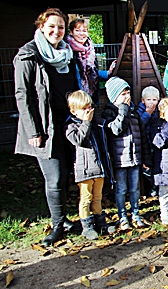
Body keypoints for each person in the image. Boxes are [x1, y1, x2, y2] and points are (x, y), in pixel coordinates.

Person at [14, 8, 80, 246]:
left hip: (66, 124)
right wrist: (34, 131)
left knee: (65, 176)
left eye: (61, 27)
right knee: (54, 177)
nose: (56, 31)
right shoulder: (28, 55)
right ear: (41, 26)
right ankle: (57, 225)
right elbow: (23, 95)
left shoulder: (66, 54)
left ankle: (63, 219)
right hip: (45, 127)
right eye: (51, 26)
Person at [101, 76, 152, 230]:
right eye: (123, 94)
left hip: (135, 158)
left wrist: (145, 158)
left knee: (134, 188)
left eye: (128, 93)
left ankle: (135, 213)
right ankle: (122, 215)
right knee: (121, 189)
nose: (127, 97)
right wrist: (122, 110)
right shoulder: (109, 114)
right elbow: (116, 130)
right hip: (119, 160)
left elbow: (142, 137)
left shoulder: (135, 114)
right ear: (114, 97)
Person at [65, 90, 116, 239]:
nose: (88, 111)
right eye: (84, 108)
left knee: (97, 197)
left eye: (89, 107)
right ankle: (87, 227)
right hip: (84, 171)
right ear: (74, 112)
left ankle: (101, 223)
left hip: (98, 168)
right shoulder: (71, 128)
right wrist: (86, 122)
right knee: (86, 198)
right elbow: (79, 140)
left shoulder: (96, 124)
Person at [66, 18, 115, 105]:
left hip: (91, 95)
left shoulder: (90, 51)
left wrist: (108, 73)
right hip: (75, 99)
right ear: (71, 32)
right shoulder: (67, 51)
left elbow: (93, 72)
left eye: (84, 30)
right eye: (77, 30)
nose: (81, 33)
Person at [137, 86, 161, 197]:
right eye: (149, 99)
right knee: (146, 168)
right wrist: (147, 113)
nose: (152, 102)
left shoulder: (158, 111)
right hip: (144, 144)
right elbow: (139, 125)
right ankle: (151, 185)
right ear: (143, 100)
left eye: (154, 100)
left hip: (155, 144)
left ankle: (156, 186)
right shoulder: (139, 111)